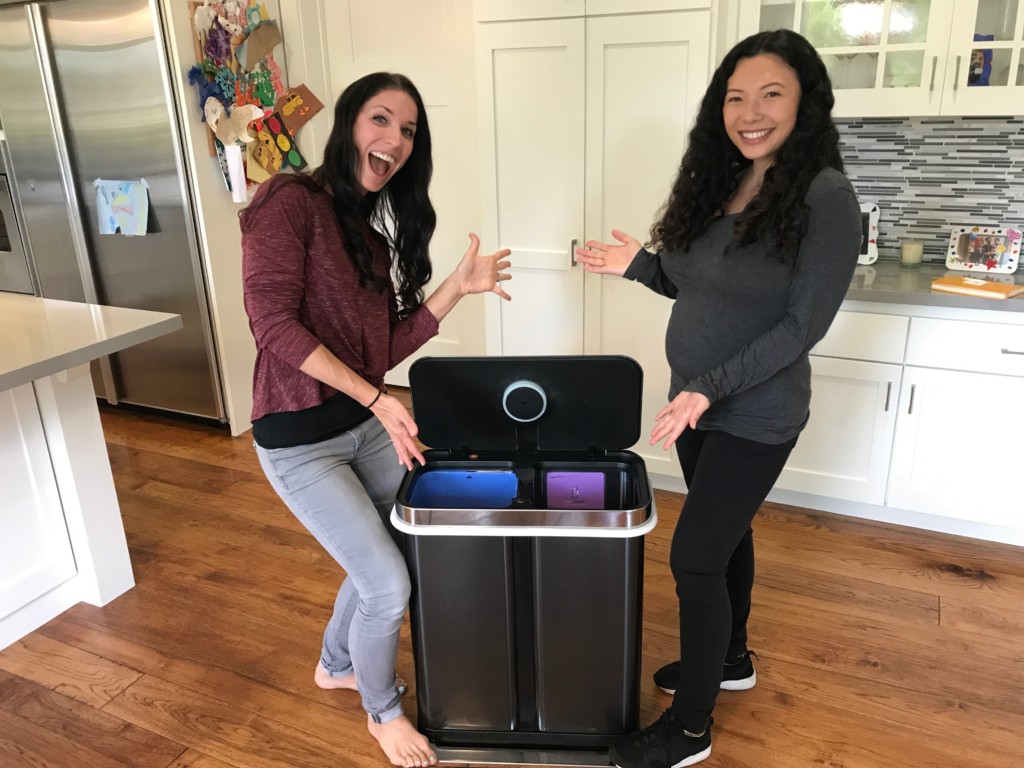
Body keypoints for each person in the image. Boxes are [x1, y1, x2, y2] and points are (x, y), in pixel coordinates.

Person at [575, 30, 861, 767]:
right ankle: (730, 658)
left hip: (755, 414)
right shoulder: (720, 178)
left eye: (772, 94)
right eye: (736, 97)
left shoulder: (825, 195)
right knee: (725, 536)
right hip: (696, 405)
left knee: (697, 559)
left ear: (805, 102)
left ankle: (691, 729)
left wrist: (709, 386)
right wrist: (637, 265)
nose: (751, 111)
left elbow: (805, 325)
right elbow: (692, 284)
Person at [240, 72, 512, 768]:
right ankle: (380, 709)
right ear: (349, 125)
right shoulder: (288, 201)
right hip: (300, 440)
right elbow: (271, 323)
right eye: (381, 119)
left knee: (400, 544)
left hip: (360, 424)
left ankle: (336, 662)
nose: (393, 139)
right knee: (388, 582)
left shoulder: (371, 237)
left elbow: (380, 348)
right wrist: (376, 399)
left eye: (409, 130)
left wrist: (456, 287)